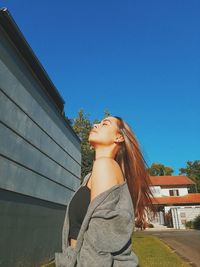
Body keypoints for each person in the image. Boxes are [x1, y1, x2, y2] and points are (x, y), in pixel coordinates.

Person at [55, 115, 155, 267]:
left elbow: (98, 241)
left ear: (119, 137)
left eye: (105, 124)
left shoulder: (105, 165)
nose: (95, 125)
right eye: (98, 122)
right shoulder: (90, 176)